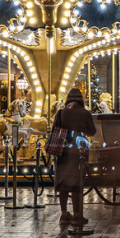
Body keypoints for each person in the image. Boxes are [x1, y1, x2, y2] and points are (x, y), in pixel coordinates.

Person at [51, 88, 96, 224]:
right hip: (79, 152)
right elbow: (92, 131)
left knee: (63, 182)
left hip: (63, 151)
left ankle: (64, 213)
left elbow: (54, 130)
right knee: (77, 183)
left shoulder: (60, 113)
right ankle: (77, 214)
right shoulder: (85, 113)